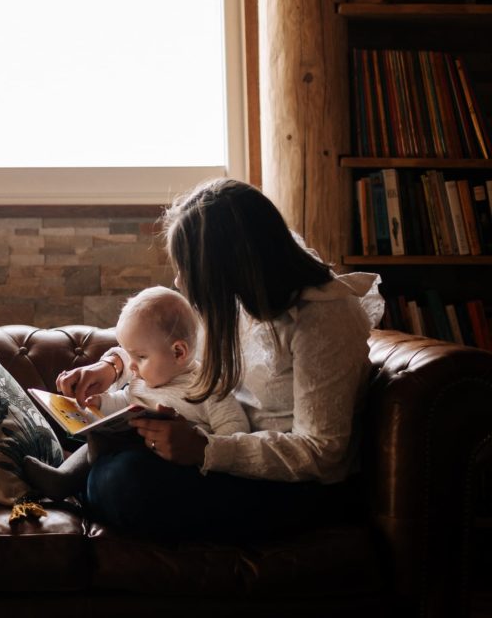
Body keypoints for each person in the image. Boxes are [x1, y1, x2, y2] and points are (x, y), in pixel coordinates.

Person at [57, 178, 383, 540]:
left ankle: (90, 479)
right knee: (98, 441)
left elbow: (322, 452)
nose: (181, 282)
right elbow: (169, 343)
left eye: (189, 269)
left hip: (295, 487)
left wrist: (204, 449)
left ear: (229, 264)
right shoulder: (236, 297)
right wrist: (112, 365)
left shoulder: (323, 318)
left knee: (122, 483)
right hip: (221, 448)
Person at [24, 286, 248, 500]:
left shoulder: (208, 387)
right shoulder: (144, 380)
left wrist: (199, 439)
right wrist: (101, 402)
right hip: (122, 447)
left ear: (178, 352)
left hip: (170, 466)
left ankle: (74, 478)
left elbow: (235, 429)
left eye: (140, 357)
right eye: (129, 356)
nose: (131, 367)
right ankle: (63, 477)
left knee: (116, 457)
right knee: (99, 434)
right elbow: (125, 401)